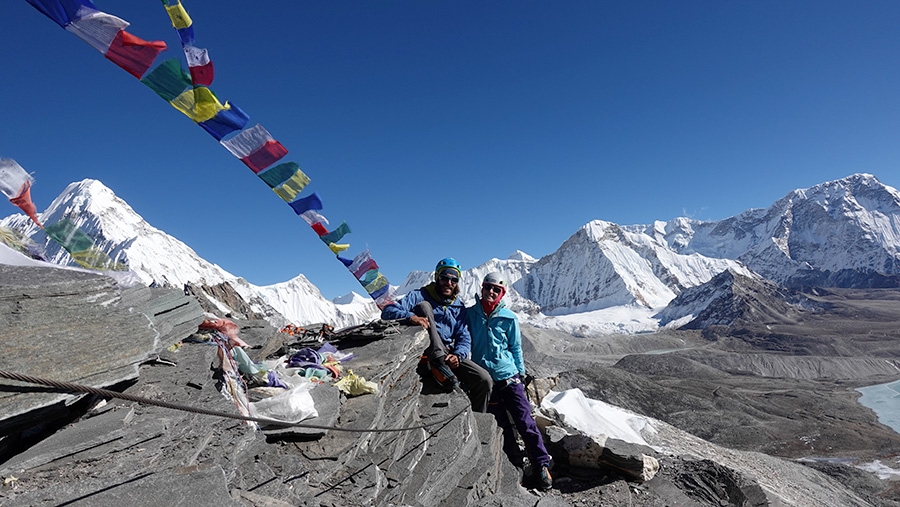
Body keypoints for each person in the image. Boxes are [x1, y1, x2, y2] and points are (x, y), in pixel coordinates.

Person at [468, 272, 553, 491]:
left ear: (502, 293)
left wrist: (521, 374)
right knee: (502, 426)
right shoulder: (470, 314)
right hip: (486, 380)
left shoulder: (509, 317)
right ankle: (515, 467)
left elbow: (516, 348)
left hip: (509, 376)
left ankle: (542, 464)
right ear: (482, 288)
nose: (492, 292)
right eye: (489, 287)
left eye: (497, 289)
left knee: (525, 421)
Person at [381, 258, 492, 412]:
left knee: (484, 380)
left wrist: (458, 355)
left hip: (448, 352)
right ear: (437, 278)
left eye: (454, 280)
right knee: (424, 307)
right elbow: (387, 312)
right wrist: (410, 317)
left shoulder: (458, 306)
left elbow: (464, 336)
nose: (449, 283)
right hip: (424, 352)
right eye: (444, 278)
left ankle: (479, 421)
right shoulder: (419, 295)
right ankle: (438, 363)